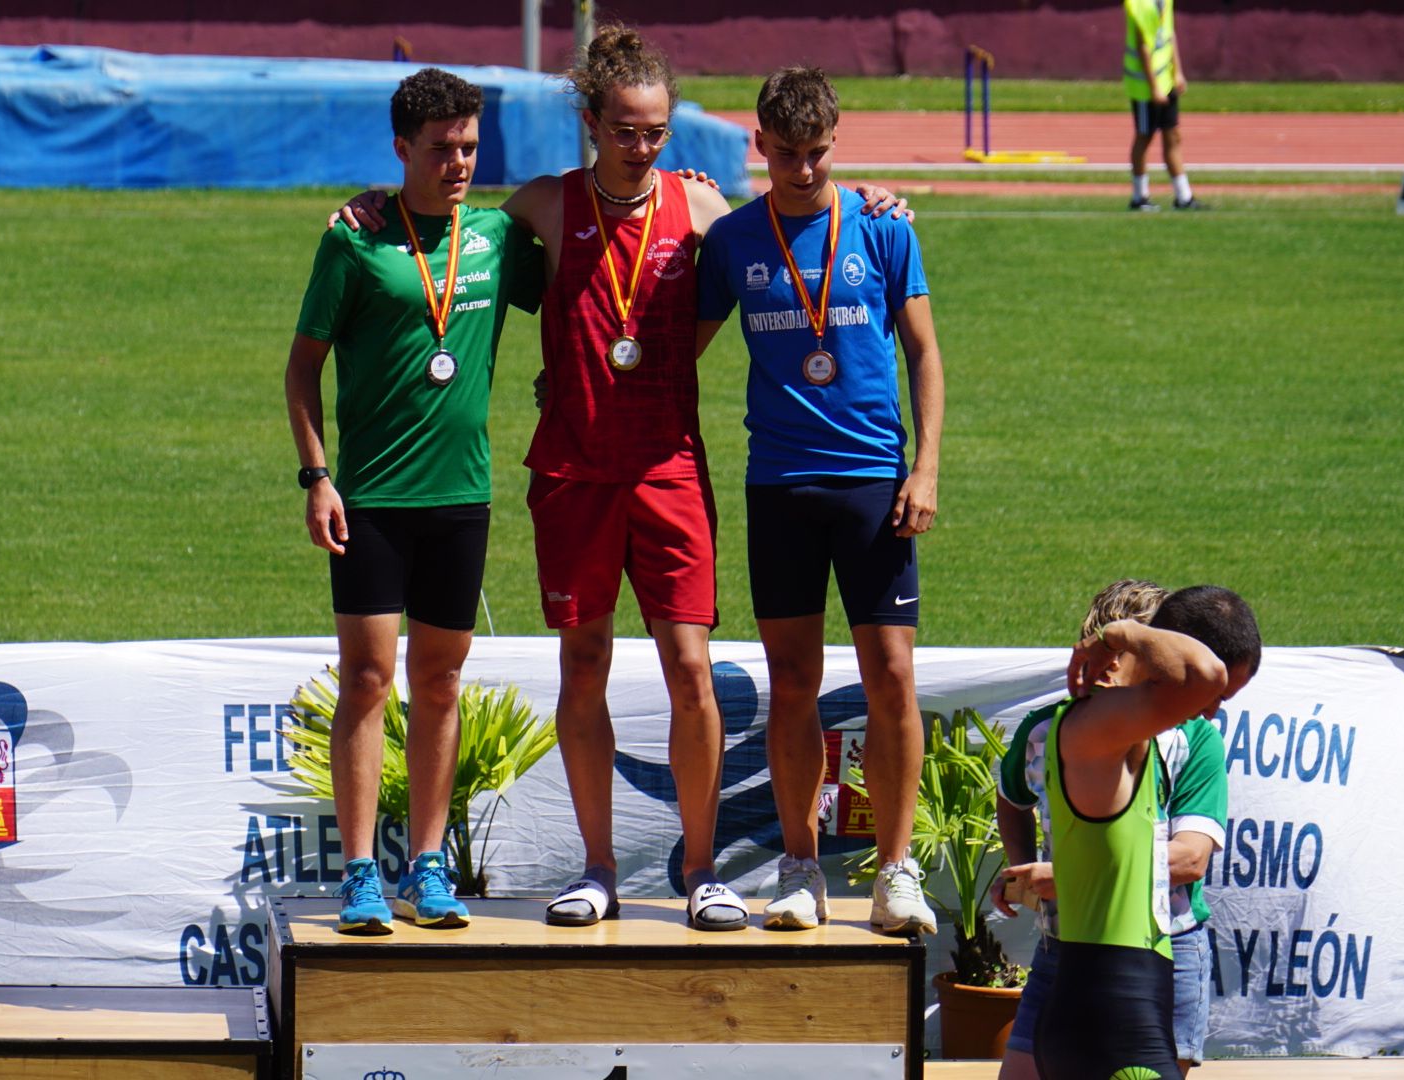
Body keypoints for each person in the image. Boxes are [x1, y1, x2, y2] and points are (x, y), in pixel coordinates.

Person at [335, 38, 910, 932]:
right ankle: (598, 867)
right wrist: (372, 206)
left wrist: (876, 200)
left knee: (691, 671)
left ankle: (700, 869)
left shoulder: (704, 206)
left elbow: (793, 218)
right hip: (572, 474)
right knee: (584, 664)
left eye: (657, 131)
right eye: (626, 131)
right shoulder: (541, 206)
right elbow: (444, 225)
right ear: (591, 123)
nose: (644, 147)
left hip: (670, 469)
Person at [284, 67, 544, 934]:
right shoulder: (354, 242)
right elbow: (301, 370)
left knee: (439, 684)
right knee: (367, 679)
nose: (459, 162)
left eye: (470, 146)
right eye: (441, 149)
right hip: (372, 500)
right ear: (401, 149)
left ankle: (427, 866)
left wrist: (682, 188)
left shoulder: (498, 239)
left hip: (461, 496)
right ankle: (361, 873)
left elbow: (588, 254)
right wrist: (317, 477)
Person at [695, 66, 944, 935]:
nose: (803, 170)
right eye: (786, 155)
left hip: (874, 479)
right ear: (759, 145)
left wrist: (927, 468)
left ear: (837, 142)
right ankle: (800, 869)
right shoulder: (732, 241)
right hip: (782, 485)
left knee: (893, 679)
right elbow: (676, 346)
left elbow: (923, 353)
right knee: (792, 681)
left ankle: (897, 871)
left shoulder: (882, 230)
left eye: (818, 154)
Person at [994, 580, 1230, 1078]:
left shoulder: (1195, 739)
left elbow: (1190, 860)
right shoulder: (1048, 730)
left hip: (1165, 949)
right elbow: (1011, 797)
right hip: (1065, 949)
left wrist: (1072, 875)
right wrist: (1025, 870)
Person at [1125, 0, 1201, 210]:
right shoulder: (1140, 4)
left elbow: (1169, 33)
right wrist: (1153, 88)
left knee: (1173, 135)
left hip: (1165, 79)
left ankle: (1183, 197)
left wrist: (1177, 71)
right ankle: (1139, 197)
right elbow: (1143, 46)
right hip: (1144, 86)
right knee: (1144, 136)